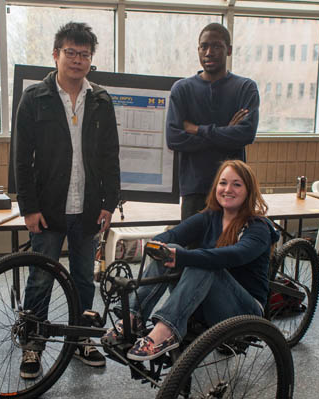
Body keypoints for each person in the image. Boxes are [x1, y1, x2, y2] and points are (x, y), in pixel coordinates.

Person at [14, 22, 120, 377]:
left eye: (84, 54)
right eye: (70, 53)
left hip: (88, 208)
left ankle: (80, 339)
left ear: (91, 59)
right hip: (47, 209)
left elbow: (110, 156)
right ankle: (33, 345)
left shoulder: (101, 100)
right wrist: (28, 208)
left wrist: (109, 202)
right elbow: (21, 158)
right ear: (56, 55)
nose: (77, 60)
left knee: (83, 279)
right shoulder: (34, 98)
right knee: (41, 278)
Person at [103, 160, 279, 361]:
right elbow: (173, 235)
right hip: (207, 302)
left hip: (245, 311)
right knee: (173, 250)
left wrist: (182, 257)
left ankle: (166, 330)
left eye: (237, 184)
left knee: (204, 263)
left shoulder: (258, 227)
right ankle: (134, 318)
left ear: (249, 191)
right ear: (216, 187)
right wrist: (160, 247)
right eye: (223, 183)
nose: (228, 189)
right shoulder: (210, 217)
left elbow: (236, 255)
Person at [166, 23, 259, 221]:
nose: (209, 52)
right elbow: (174, 138)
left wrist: (198, 130)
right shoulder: (182, 89)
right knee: (192, 249)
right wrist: (226, 133)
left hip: (232, 189)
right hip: (194, 189)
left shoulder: (245, 87)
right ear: (198, 49)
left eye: (216, 46)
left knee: (230, 248)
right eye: (204, 46)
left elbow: (246, 134)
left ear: (229, 50)